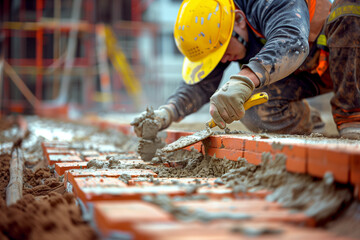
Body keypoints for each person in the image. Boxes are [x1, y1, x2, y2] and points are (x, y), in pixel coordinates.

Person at [131, 0, 360, 140]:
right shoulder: (225, 28)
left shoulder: (267, 2)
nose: (224, 61)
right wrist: (165, 113)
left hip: (347, 58)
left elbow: (291, 40)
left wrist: (245, 78)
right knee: (254, 108)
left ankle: (352, 114)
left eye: (221, 53)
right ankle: (312, 127)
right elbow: (199, 86)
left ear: (239, 20)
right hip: (310, 73)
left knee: (349, 8)